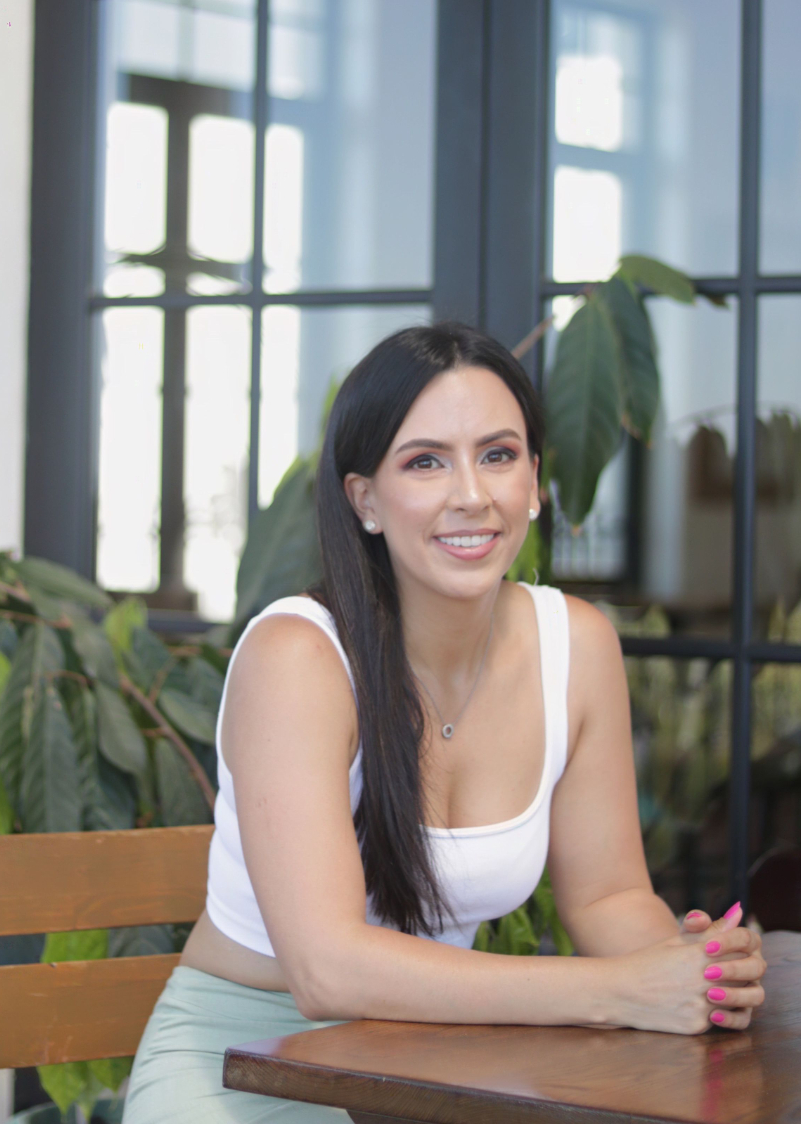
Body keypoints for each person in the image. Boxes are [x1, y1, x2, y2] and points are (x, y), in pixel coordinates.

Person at [124, 323, 766, 1124]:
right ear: (365, 499)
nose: (471, 494)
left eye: (497, 455)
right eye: (425, 462)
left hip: (434, 1065)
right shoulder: (299, 658)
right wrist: (618, 991)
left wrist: (692, 969)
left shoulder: (577, 645)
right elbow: (326, 971)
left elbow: (608, 897)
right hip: (248, 1064)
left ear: (534, 481)